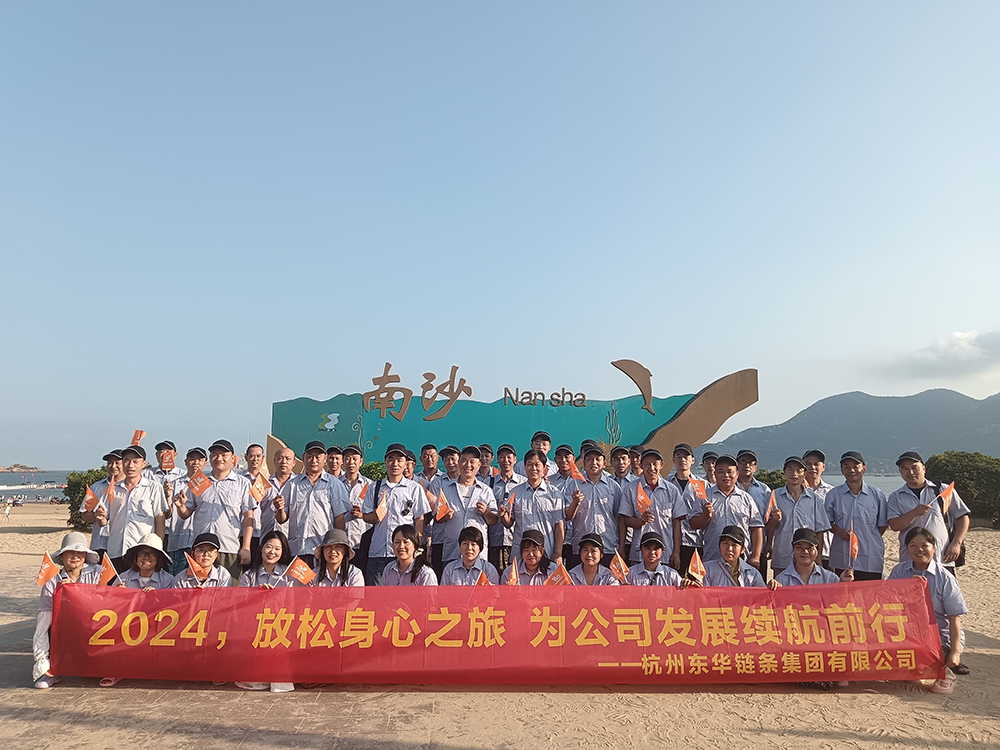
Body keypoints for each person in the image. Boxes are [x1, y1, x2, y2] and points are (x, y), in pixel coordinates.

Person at [887, 527, 969, 693]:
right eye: (913, 545)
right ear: (907, 549)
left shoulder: (945, 578)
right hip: (909, 633)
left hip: (938, 636)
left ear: (934, 548)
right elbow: (885, 601)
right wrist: (905, 587)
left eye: (925, 545)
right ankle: (919, 669)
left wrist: (955, 652)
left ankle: (946, 673)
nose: (919, 550)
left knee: (932, 656)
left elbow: (954, 618)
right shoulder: (899, 571)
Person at [173, 440, 254, 580]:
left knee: (229, 591)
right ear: (210, 458)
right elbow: (186, 514)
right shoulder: (199, 480)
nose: (219, 458)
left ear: (232, 458)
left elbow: (249, 517)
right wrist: (180, 506)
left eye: (223, 455)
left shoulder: (242, 483)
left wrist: (246, 547)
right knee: (198, 589)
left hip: (228, 548)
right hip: (201, 550)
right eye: (215, 454)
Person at [33, 532, 102, 688]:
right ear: (62, 556)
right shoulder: (52, 580)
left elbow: (106, 603)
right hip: (63, 630)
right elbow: (43, 624)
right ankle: (51, 670)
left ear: (85, 555)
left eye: (80, 552)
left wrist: (76, 590)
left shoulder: (98, 573)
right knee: (47, 625)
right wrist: (41, 662)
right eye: (70, 552)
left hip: (94, 627)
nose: (75, 556)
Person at [888, 452, 970, 575]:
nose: (910, 472)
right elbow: (894, 525)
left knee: (944, 587)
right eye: (904, 468)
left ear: (924, 468)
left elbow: (962, 516)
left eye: (914, 467)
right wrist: (914, 513)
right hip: (909, 561)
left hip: (942, 558)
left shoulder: (942, 490)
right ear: (900, 472)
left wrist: (956, 543)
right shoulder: (896, 496)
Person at [274, 440, 350, 568]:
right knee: (297, 582)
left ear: (325, 458)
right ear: (303, 458)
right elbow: (281, 519)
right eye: (310, 456)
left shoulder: (334, 484)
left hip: (324, 549)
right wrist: (280, 509)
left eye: (317, 457)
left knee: (323, 580)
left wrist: (340, 546)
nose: (314, 460)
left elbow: (339, 518)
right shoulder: (292, 484)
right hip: (298, 549)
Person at [361, 444, 430, 584]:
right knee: (377, 594)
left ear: (405, 463)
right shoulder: (375, 487)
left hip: (405, 552)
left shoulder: (414, 488)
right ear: (385, 462)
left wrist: (416, 546)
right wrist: (373, 517)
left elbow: (419, 519)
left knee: (405, 592)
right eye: (391, 459)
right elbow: (365, 516)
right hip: (379, 551)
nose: (395, 464)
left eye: (399, 460)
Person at [689, 454, 765, 567]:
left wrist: (755, 557)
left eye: (730, 472)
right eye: (721, 471)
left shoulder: (746, 498)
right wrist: (705, 516)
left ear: (737, 474)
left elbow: (756, 528)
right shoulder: (705, 497)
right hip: (713, 557)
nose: (726, 475)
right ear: (715, 474)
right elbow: (693, 524)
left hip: (741, 559)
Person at [432, 445, 497, 573]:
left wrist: (486, 512)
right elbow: (437, 518)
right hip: (452, 552)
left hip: (477, 554)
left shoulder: (486, 491)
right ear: (459, 463)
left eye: (472, 462)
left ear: (479, 465)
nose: (468, 465)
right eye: (464, 461)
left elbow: (494, 520)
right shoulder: (445, 489)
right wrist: (444, 516)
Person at [826, 451, 889, 581]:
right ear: (842, 470)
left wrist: (867, 536)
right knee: (842, 593)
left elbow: (882, 525)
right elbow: (827, 522)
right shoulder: (833, 495)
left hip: (870, 558)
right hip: (843, 558)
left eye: (855, 466)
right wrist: (839, 531)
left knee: (870, 593)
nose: (851, 470)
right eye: (847, 467)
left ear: (864, 468)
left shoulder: (877, 495)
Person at [618, 448, 685, 568]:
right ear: (641, 466)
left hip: (665, 553)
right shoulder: (631, 489)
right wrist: (640, 521)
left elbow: (676, 522)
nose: (651, 468)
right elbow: (625, 520)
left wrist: (676, 552)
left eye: (655, 464)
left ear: (661, 465)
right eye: (647, 464)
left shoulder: (671, 490)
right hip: (639, 554)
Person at [765, 456, 831, 577]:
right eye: (790, 470)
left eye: (798, 470)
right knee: (781, 587)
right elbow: (768, 527)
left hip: (808, 557)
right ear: (784, 472)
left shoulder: (814, 499)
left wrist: (818, 558)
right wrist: (774, 521)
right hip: (783, 555)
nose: (794, 474)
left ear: (804, 474)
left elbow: (820, 530)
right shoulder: (775, 495)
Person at [106, 445, 169, 570]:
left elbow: (159, 518)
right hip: (116, 550)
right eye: (126, 460)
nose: (130, 465)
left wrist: (158, 547)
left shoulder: (153, 487)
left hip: (142, 552)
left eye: (135, 461)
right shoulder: (112, 489)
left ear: (144, 464)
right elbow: (103, 520)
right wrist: (99, 516)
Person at [499, 449, 566, 565]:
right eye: (529, 464)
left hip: (547, 552)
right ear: (525, 467)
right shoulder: (515, 492)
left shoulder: (555, 494)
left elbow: (559, 526)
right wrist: (503, 515)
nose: (533, 468)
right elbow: (508, 523)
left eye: (537, 465)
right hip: (521, 554)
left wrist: (558, 553)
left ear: (544, 468)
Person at [564, 445, 622, 568]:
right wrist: (575, 503)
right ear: (584, 463)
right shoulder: (573, 485)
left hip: (608, 546)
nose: (594, 463)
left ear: (604, 463)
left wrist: (621, 546)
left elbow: (620, 517)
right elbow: (567, 516)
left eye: (597, 459)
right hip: (581, 547)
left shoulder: (613, 487)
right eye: (590, 459)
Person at [668, 443, 709, 575]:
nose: (682, 460)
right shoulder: (666, 484)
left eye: (686, 457)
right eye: (678, 456)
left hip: (695, 542)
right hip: (671, 542)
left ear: (693, 460)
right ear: (673, 459)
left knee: (694, 581)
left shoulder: (702, 485)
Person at [165, 447, 206, 575]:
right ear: (186, 462)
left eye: (199, 459)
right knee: (177, 579)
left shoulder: (209, 485)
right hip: (178, 540)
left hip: (200, 542)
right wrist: (167, 497)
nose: (196, 463)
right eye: (192, 459)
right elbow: (166, 513)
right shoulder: (174, 484)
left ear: (205, 462)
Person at [700, 526, 777, 588]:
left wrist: (771, 587)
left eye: (734, 545)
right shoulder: (707, 569)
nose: (729, 548)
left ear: (742, 549)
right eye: (725, 543)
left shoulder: (752, 573)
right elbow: (704, 595)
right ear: (719, 546)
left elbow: (762, 596)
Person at [80, 449, 125, 555]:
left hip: (122, 544)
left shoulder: (129, 488)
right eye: (110, 463)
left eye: (117, 463)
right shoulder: (96, 487)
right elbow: (84, 514)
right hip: (99, 544)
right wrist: (94, 515)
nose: (113, 466)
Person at [489, 444, 524, 576]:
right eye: (502, 457)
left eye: (509, 457)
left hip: (517, 541)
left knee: (515, 578)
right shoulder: (490, 483)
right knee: (496, 578)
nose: (506, 460)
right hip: (495, 540)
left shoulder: (523, 483)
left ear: (515, 459)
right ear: (497, 460)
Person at [775, 528, 853, 586]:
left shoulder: (830, 579)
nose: (805, 552)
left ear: (817, 551)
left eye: (810, 548)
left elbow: (840, 600)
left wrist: (843, 584)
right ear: (793, 550)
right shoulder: (781, 580)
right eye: (799, 548)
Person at [802, 449, 835, 567]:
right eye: (808, 464)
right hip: (802, 551)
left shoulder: (832, 492)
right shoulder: (796, 492)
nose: (812, 467)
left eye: (816, 464)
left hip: (828, 550)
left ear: (823, 467)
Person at [340, 445, 372, 559]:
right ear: (343, 461)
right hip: (341, 541)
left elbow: (376, 513)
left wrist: (362, 515)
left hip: (361, 540)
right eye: (347, 459)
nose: (351, 462)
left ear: (361, 462)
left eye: (354, 459)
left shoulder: (370, 485)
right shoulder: (335, 484)